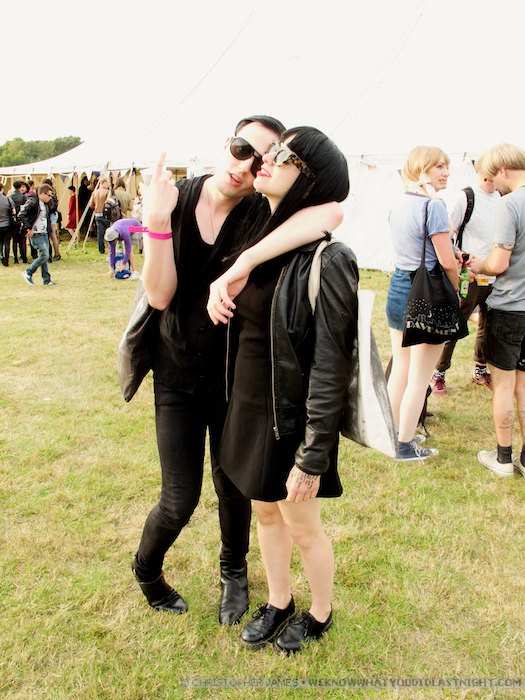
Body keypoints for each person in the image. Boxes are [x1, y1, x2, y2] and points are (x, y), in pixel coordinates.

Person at [130, 115, 342, 626]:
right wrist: (156, 221)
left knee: (236, 488)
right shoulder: (175, 199)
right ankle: (147, 570)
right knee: (179, 498)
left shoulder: (260, 211)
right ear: (228, 143)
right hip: (177, 374)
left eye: (263, 158)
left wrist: (240, 263)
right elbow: (158, 295)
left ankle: (235, 573)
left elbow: (332, 211)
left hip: (233, 378)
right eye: (243, 148)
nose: (247, 165)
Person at [206, 128, 356, 655]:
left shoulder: (328, 260)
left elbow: (331, 367)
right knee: (265, 513)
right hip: (248, 407)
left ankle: (320, 611)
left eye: (285, 156)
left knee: (301, 523)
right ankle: (278, 600)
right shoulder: (262, 239)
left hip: (290, 417)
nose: (267, 160)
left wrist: (313, 457)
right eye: (272, 151)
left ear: (308, 179)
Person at [386, 145, 458, 461]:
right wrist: (456, 292)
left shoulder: (398, 203)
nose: (446, 172)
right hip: (427, 292)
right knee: (419, 375)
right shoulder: (434, 206)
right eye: (439, 166)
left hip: (399, 287)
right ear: (422, 168)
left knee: (401, 369)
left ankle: (391, 436)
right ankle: (404, 446)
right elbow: (447, 261)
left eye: (446, 166)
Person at [467, 144, 525, 477]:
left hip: (509, 307)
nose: (494, 185)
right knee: (524, 387)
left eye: (493, 177)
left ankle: (503, 458)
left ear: (503, 170)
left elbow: (499, 263)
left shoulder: (510, 204)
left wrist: (480, 265)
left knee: (503, 385)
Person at [430, 155, 500, 395]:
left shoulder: (503, 198)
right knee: (455, 324)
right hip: (469, 276)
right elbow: (447, 233)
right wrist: (459, 264)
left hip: (496, 275)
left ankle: (480, 369)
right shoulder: (467, 197)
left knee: (488, 326)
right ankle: (438, 373)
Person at [19, 183, 59, 286]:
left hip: (44, 232)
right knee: (44, 255)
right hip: (36, 233)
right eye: (48, 195)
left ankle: (46, 280)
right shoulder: (33, 202)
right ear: (42, 193)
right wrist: (29, 228)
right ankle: (28, 272)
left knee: (44, 256)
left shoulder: (45, 204)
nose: (50, 198)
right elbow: (21, 215)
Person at [8, 180, 29, 264]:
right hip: (22, 220)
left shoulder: (10, 197)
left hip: (13, 220)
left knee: (14, 240)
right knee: (22, 240)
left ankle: (15, 258)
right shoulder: (23, 197)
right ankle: (24, 257)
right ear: (20, 187)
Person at [90, 177, 111, 253]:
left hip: (97, 214)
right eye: (108, 182)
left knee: (100, 233)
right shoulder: (108, 192)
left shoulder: (95, 192)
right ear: (104, 183)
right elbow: (109, 203)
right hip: (105, 214)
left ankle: (101, 250)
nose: (109, 184)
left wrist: (95, 208)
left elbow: (91, 204)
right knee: (110, 231)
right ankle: (111, 248)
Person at [42, 178, 61, 261]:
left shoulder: (50, 195)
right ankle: (56, 253)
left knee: (52, 234)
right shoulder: (53, 192)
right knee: (53, 235)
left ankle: (57, 253)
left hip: (51, 215)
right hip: (54, 214)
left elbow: (51, 207)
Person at [0, 184, 15, 266]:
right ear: (2, 189)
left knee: (0, 242)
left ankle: (1, 255)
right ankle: (6, 259)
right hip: (7, 224)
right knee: (7, 242)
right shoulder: (8, 199)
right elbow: (14, 211)